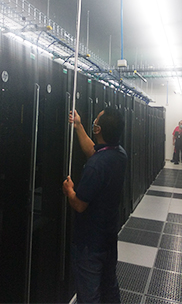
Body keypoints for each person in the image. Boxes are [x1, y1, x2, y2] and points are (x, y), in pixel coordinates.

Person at [62, 108, 128, 304]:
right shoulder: (120, 154)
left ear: (98, 129)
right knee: (109, 289)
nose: (94, 121)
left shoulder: (95, 166)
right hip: (108, 237)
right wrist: (78, 125)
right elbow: (94, 150)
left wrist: (69, 191)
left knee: (89, 296)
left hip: (89, 243)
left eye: (96, 120)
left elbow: (79, 205)